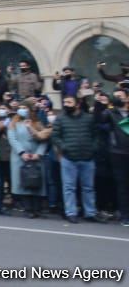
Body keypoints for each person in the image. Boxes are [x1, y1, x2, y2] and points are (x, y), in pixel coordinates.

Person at [52, 95, 104, 224]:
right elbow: (55, 136)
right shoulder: (60, 119)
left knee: (88, 187)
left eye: (69, 102)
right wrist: (64, 147)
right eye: (65, 102)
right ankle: (71, 212)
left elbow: (96, 135)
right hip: (69, 158)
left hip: (87, 158)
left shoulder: (88, 118)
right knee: (69, 187)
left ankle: (90, 213)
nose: (66, 104)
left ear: (77, 104)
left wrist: (93, 149)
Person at [7, 102, 50, 218]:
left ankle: (37, 208)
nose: (22, 110)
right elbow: (12, 139)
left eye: (24, 107)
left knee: (36, 180)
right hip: (20, 157)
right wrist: (22, 152)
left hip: (36, 156)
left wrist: (39, 153)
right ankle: (28, 208)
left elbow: (44, 139)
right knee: (24, 181)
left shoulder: (37, 123)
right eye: (20, 108)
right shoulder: (13, 124)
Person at [103, 88, 129, 227]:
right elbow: (99, 120)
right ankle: (125, 215)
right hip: (118, 154)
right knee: (122, 186)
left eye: (120, 96)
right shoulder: (111, 113)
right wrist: (102, 104)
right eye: (115, 96)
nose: (117, 98)